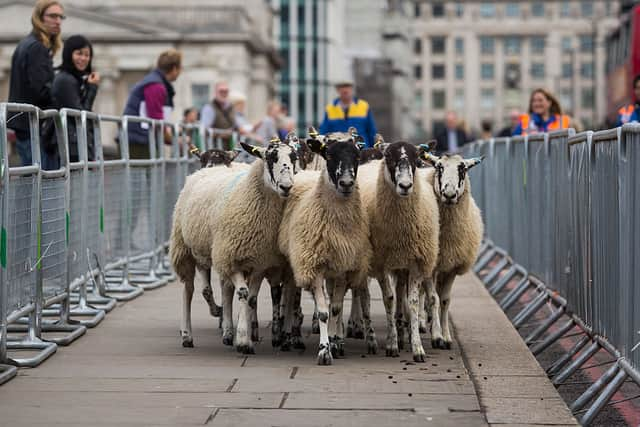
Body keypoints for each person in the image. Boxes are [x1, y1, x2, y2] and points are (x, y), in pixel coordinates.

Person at [8, 0, 64, 168]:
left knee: (33, 181)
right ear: (40, 18)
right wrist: (61, 101)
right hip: (35, 128)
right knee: (43, 185)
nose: (58, 21)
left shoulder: (27, 44)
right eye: (53, 16)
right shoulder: (36, 48)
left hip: (27, 126)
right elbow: (41, 90)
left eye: (61, 17)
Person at [122, 49, 182, 159]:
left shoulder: (155, 82)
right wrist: (175, 140)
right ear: (174, 69)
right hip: (139, 143)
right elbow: (157, 122)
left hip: (140, 139)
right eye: (180, 68)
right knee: (149, 175)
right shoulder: (156, 86)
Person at [52, 34, 99, 162]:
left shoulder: (74, 79)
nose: (83, 58)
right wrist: (92, 89)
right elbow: (81, 115)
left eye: (87, 55)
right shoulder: (65, 80)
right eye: (79, 53)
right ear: (69, 54)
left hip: (75, 144)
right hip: (71, 147)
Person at [319, 80, 377, 147]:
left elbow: (371, 131)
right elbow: (324, 131)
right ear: (337, 90)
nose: (345, 90)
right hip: (338, 151)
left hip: (361, 150)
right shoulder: (330, 109)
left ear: (352, 89)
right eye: (342, 87)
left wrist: (373, 148)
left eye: (347, 87)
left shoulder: (364, 106)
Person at [200, 81, 237, 150]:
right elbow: (204, 130)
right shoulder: (209, 108)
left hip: (229, 149)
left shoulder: (231, 107)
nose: (224, 93)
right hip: (214, 149)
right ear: (215, 93)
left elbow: (237, 127)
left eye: (226, 91)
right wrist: (223, 134)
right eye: (221, 91)